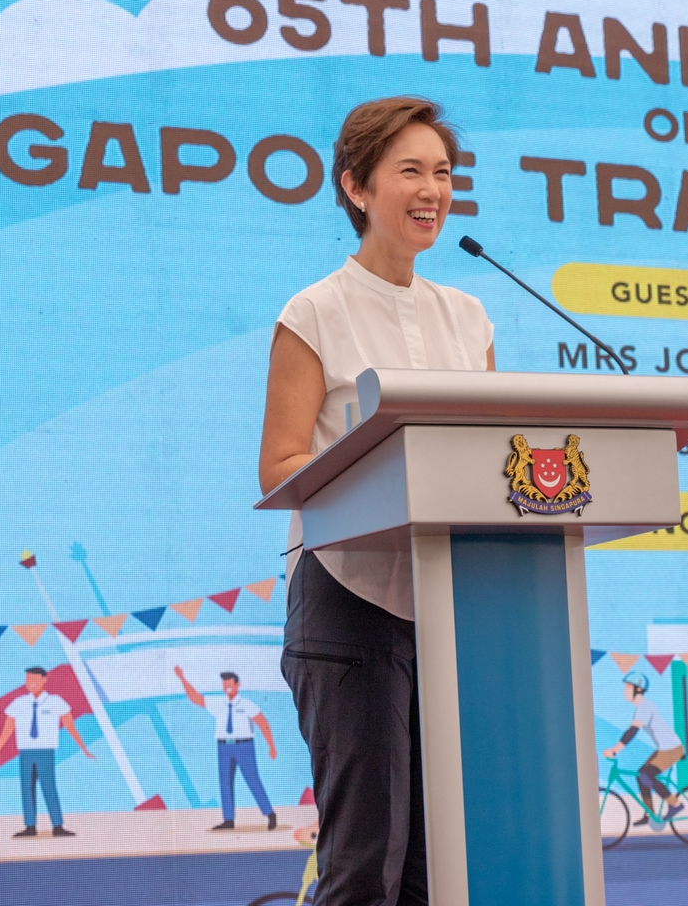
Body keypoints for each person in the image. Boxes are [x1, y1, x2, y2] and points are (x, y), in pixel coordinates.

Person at [262, 96, 493, 906]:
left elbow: (492, 459)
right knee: (366, 863)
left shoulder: (469, 316)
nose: (432, 190)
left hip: (448, 606)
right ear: (357, 188)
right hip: (347, 598)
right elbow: (280, 464)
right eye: (411, 172)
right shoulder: (315, 310)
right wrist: (383, 466)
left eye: (443, 173)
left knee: (438, 867)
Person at [0, 666, 94, 837]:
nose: (31, 684)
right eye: (28, 680)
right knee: (26, 788)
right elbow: (7, 729)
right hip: (26, 752)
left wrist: (84, 749)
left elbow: (70, 726)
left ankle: (57, 825)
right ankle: (30, 826)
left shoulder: (56, 702)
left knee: (49, 787)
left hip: (46, 752)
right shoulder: (18, 703)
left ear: (44, 680)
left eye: (35, 680)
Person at [174, 666, 278, 831]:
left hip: (244, 746)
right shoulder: (217, 703)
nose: (227, 687)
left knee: (253, 780)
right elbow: (195, 698)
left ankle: (270, 813)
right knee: (225, 783)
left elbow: (263, 723)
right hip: (223, 747)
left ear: (237, 685)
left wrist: (271, 746)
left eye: (230, 684)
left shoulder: (247, 704)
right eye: (225, 684)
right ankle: (228, 820)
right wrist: (182, 678)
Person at [602, 672, 685, 822]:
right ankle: (649, 813)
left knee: (646, 775)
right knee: (641, 776)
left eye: (627, 687)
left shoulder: (645, 707)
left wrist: (614, 750)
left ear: (638, 689)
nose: (624, 690)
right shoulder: (642, 707)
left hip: (671, 749)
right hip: (664, 749)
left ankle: (675, 804)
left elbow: (632, 731)